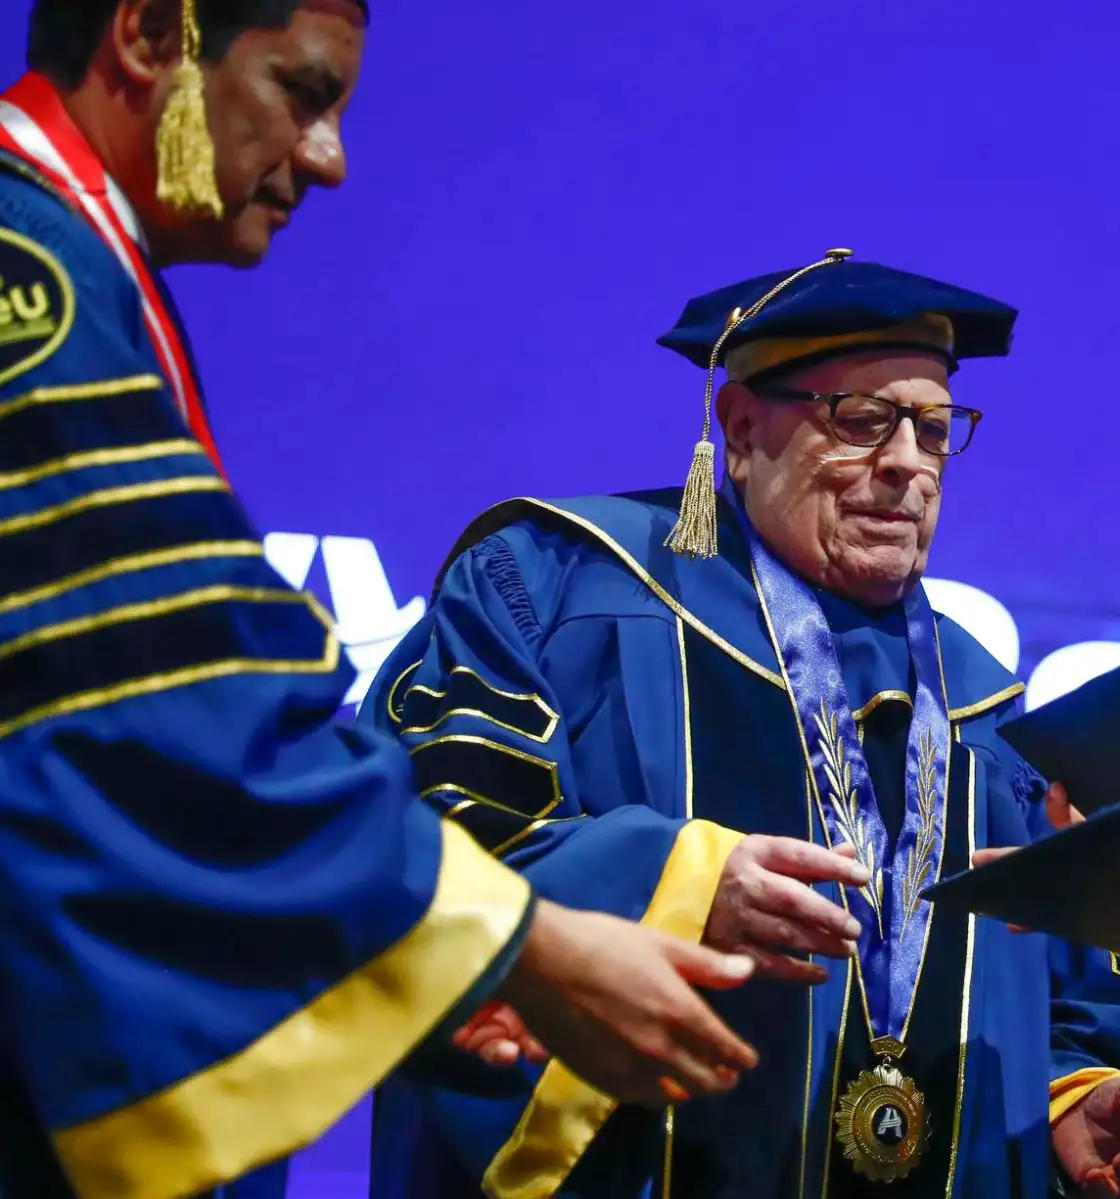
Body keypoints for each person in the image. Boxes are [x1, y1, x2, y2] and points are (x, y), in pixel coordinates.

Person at [0, 3, 763, 1196]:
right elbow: (169, 717)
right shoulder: (30, 275)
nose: (329, 157)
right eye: (302, 92)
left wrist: (405, 958)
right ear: (150, 35)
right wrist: (513, 942)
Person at [358, 250, 1120, 1199]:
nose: (906, 465)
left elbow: (1070, 988)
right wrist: (678, 882)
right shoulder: (555, 589)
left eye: (934, 429)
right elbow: (420, 848)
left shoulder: (985, 705)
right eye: (862, 420)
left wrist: (1065, 1098)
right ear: (741, 428)